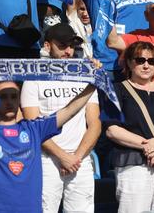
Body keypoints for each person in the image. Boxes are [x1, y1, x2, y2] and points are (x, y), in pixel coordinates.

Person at [0, 64, 100, 212]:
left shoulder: (34, 129)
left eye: (13, 96)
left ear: (19, 100)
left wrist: (94, 81)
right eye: (3, 96)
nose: (9, 101)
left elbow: (70, 110)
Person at [21, 23, 101, 213]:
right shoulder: (34, 76)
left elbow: (95, 123)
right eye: (63, 45)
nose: (68, 51)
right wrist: (62, 157)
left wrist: (76, 158)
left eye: (72, 46)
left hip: (80, 159)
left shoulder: (85, 74)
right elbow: (33, 125)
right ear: (47, 46)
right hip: (46, 159)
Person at [106, 41, 154, 213]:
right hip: (133, 163)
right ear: (128, 62)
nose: (146, 65)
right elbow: (112, 130)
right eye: (140, 60)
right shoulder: (117, 89)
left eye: (152, 60)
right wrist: (149, 146)